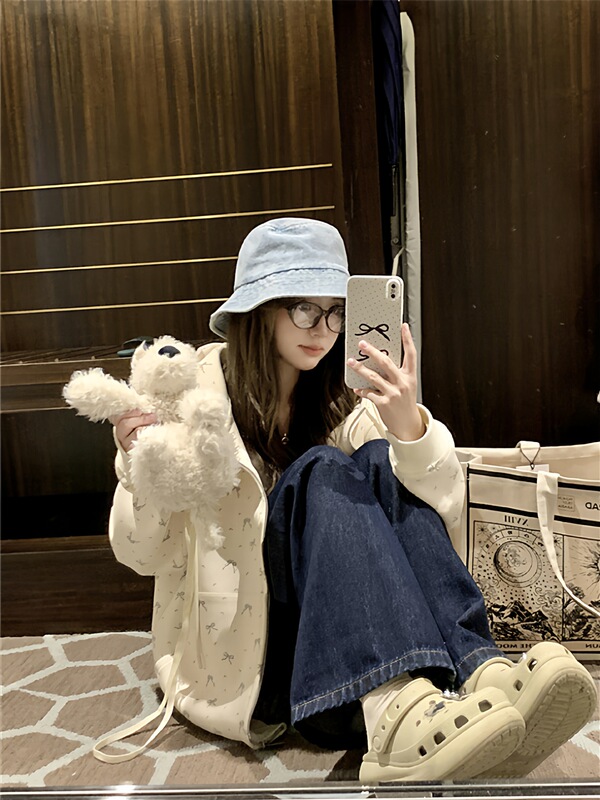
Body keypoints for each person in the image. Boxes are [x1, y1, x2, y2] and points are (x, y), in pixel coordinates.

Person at [105, 218, 596, 781]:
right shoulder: (187, 395)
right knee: (324, 468)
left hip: (340, 652)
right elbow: (140, 554)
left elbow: (444, 511)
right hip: (255, 665)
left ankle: (478, 671)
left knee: (380, 461)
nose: (324, 329)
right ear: (258, 309)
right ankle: (392, 713)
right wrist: (139, 468)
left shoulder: (344, 400)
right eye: (303, 309)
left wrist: (407, 424)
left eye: (337, 311)